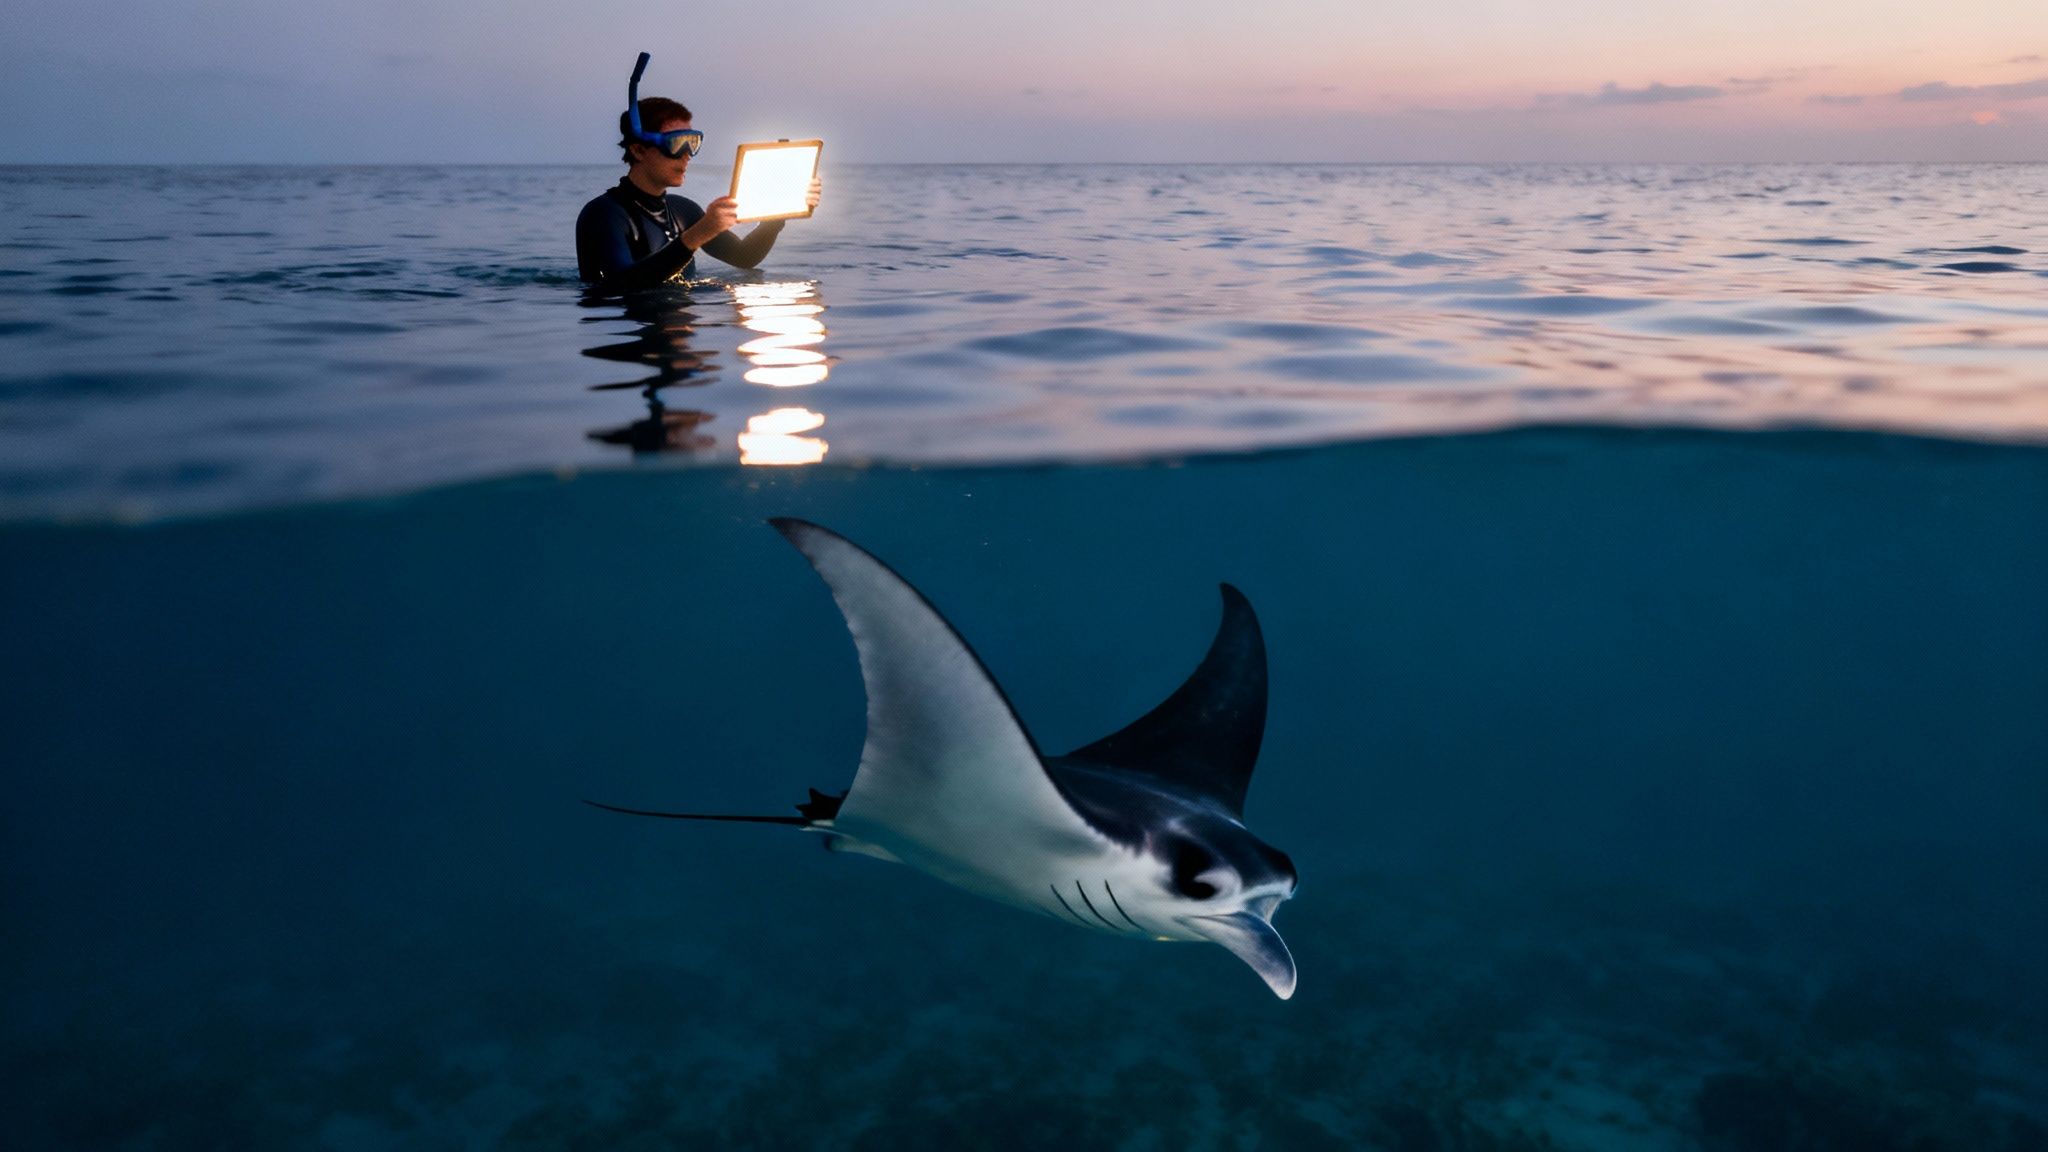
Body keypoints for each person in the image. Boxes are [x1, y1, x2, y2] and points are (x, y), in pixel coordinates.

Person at [577, 54, 821, 293]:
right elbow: (621, 285)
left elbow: (744, 257)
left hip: (682, 325)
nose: (687, 155)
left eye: (693, 143)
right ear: (639, 150)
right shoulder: (603, 214)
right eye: (676, 144)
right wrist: (698, 234)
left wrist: (778, 214)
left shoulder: (683, 211)